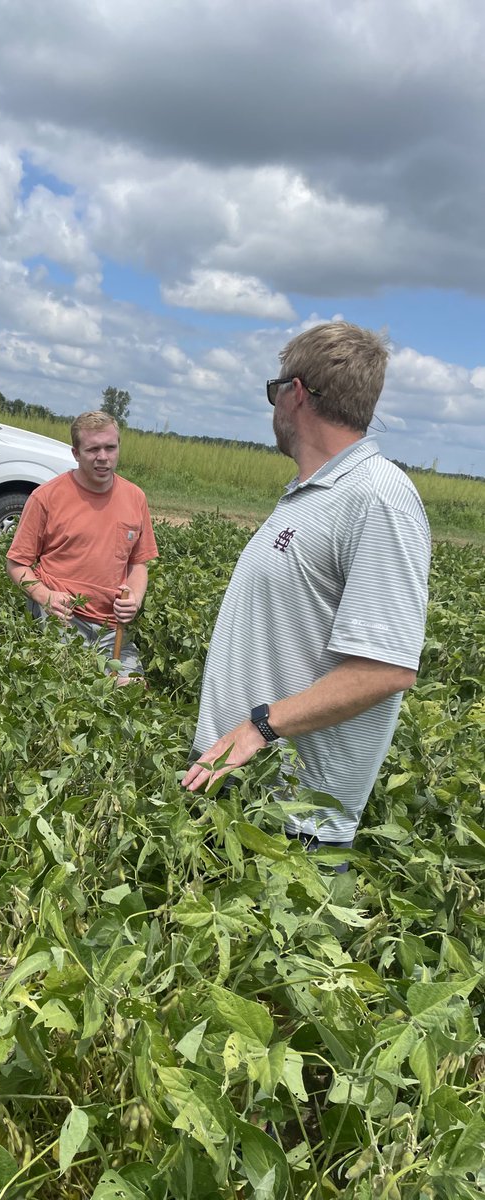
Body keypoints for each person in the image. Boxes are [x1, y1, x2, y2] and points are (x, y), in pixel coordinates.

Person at [182, 321, 430, 863]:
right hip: (242, 798)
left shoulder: (376, 498)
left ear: (295, 394)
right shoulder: (311, 493)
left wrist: (259, 728)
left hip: (291, 829)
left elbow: (387, 668)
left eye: (275, 392)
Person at [6, 411, 158, 681]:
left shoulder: (135, 498)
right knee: (70, 685)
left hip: (112, 626)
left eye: (110, 447)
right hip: (62, 617)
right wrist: (45, 596)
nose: (103, 457)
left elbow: (138, 563)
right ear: (76, 453)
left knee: (132, 689)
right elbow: (17, 564)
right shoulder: (46, 497)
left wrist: (134, 598)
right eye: (93, 449)